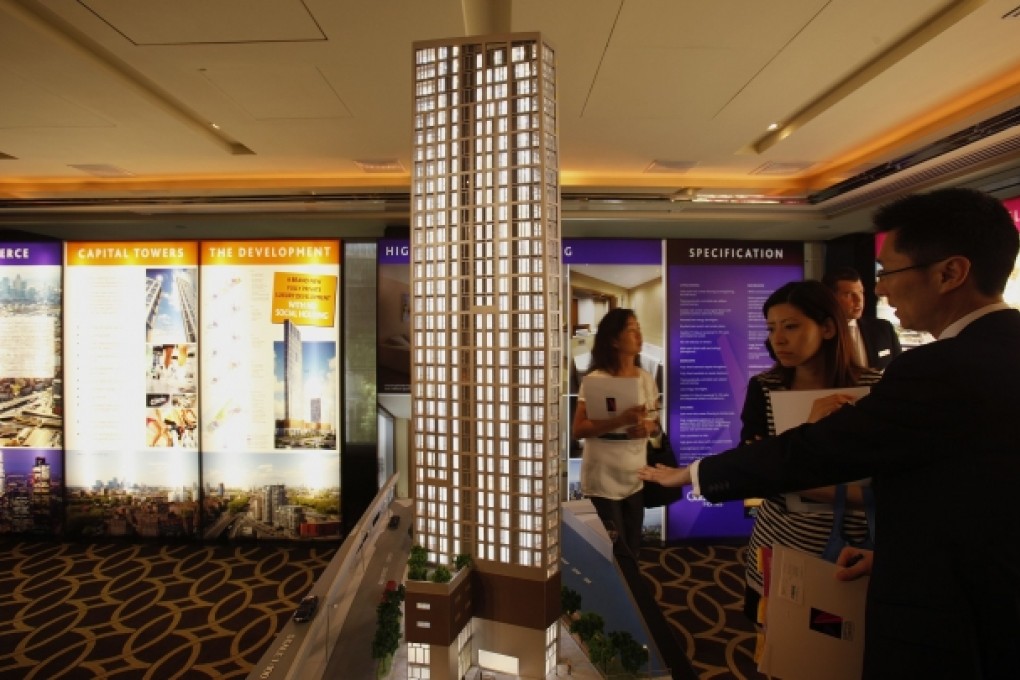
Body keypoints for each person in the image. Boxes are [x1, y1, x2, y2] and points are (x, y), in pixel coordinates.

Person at [640, 187, 1020, 679]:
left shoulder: (939, 368)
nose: (878, 290)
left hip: (952, 620)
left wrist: (688, 474)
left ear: (950, 273)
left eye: (888, 273)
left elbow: (813, 452)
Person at [737, 280, 881, 641]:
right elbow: (755, 471)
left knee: (833, 641)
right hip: (777, 539)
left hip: (848, 545)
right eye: (771, 329)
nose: (778, 339)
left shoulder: (873, 388)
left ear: (828, 328)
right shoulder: (765, 388)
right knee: (775, 641)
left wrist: (786, 475)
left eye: (791, 326)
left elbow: (888, 481)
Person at [572, 308, 660, 565]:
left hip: (636, 477)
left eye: (639, 328)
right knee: (611, 550)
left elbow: (656, 425)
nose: (639, 334)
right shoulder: (596, 380)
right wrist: (619, 420)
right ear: (613, 340)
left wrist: (648, 428)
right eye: (631, 329)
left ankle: (631, 600)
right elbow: (579, 429)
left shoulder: (646, 379)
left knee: (632, 548)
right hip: (602, 478)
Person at [822, 265, 902, 370]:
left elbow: (899, 369)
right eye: (849, 294)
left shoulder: (883, 329)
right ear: (830, 297)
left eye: (861, 292)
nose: (859, 300)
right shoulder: (819, 333)